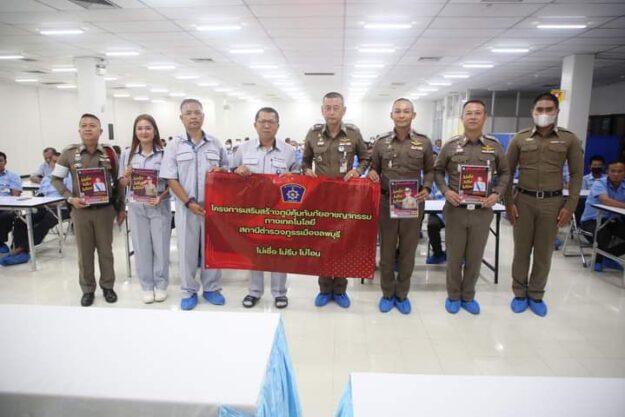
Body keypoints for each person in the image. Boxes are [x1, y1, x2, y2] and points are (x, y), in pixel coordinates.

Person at [504, 92, 583, 317]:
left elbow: (576, 175)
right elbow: (507, 173)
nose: (544, 113)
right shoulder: (520, 139)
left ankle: (536, 294)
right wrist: (509, 203)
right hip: (524, 200)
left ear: (557, 112)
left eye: (549, 109)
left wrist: (570, 206)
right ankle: (519, 293)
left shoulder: (569, 139)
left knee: (544, 252)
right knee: (521, 251)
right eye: (540, 109)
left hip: (552, 202)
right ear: (533, 111)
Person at [435, 99, 510, 315]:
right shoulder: (451, 145)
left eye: (478, 113)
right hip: (455, 210)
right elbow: (438, 170)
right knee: (454, 257)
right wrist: (445, 191)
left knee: (475, 257)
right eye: (469, 113)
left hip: (482, 212)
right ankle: (453, 296)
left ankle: (468, 296)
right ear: (462, 117)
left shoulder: (494, 146)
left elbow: (505, 172)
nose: (473, 117)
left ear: (485, 117)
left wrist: (497, 194)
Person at [302, 91, 370, 308]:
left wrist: (357, 171)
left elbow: (366, 158)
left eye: (336, 108)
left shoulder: (353, 133)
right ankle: (324, 289)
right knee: (322, 243)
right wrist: (306, 170)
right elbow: (305, 161)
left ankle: (340, 289)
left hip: (346, 200)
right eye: (328, 108)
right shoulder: (313, 134)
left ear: (344, 110)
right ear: (322, 110)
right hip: (321, 198)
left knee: (343, 243)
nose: (331, 112)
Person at [160, 98, 228, 311]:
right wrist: (188, 202)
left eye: (197, 112)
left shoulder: (215, 143)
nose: (193, 117)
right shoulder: (174, 145)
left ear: (203, 117)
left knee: (212, 250)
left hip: (212, 208)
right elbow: (170, 178)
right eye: (188, 113)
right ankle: (188, 291)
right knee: (187, 251)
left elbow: (227, 170)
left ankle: (212, 288)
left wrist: (222, 171)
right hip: (186, 207)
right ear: (181, 118)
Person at [51, 113, 125, 307]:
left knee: (106, 251)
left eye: (92, 125)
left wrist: (121, 208)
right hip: (80, 210)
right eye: (84, 125)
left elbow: (118, 182)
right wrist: (69, 198)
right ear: (79, 130)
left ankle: (108, 286)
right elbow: (55, 179)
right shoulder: (68, 153)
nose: (88, 128)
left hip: (105, 210)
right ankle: (87, 289)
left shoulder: (109, 153)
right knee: (84, 253)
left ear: (100, 130)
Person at [368, 98, 434, 314]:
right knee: (387, 253)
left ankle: (402, 294)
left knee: (407, 252)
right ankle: (387, 294)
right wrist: (372, 173)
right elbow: (374, 168)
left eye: (406, 111)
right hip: (387, 203)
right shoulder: (381, 142)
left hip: (412, 203)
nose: (402, 115)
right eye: (398, 111)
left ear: (413, 115)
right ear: (391, 115)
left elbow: (430, 170)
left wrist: (427, 187)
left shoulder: (424, 142)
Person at [233, 107, 300, 309]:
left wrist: (292, 177)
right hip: (252, 210)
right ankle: (254, 291)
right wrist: (237, 170)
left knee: (278, 251)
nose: (266, 125)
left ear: (278, 126)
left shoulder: (289, 151)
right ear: (255, 125)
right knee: (255, 251)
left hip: (279, 211)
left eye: (271, 122)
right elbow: (230, 174)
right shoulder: (243, 149)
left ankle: (279, 293)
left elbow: (297, 176)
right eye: (262, 121)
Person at [118, 114, 172, 304]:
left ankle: (161, 285)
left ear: (154, 131)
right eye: (140, 128)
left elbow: (172, 183)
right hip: (136, 207)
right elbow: (123, 183)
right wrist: (126, 175)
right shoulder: (127, 154)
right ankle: (147, 286)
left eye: (148, 128)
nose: (144, 132)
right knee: (141, 248)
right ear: (135, 132)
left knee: (161, 247)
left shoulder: (164, 154)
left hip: (159, 206)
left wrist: (161, 197)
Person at [1, 152, 72, 266]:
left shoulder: (69, 178)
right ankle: (19, 247)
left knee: (46, 220)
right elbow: (41, 194)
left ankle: (22, 249)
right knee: (21, 220)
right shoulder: (47, 178)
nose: (56, 164)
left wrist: (53, 203)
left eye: (59, 162)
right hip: (44, 206)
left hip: (62, 208)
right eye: (53, 162)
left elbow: (70, 198)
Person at [580, 160, 625, 272]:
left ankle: (609, 256)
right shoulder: (599, 183)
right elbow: (606, 200)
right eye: (613, 171)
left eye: (620, 171)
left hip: (612, 220)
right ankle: (598, 261)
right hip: (591, 220)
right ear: (607, 172)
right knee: (603, 233)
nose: (616, 174)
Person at [0, 151, 22, 255]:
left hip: (7, 207)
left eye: (0, 161)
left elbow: (15, 197)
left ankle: (0, 242)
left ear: (5, 162)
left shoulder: (13, 176)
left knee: (5, 216)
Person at [426, 180, 447, 265]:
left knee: (459, 226)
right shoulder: (435, 180)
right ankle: (438, 254)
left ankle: (457, 254)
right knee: (432, 225)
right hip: (437, 212)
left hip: (455, 212)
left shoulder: (456, 178)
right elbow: (430, 196)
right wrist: (428, 197)